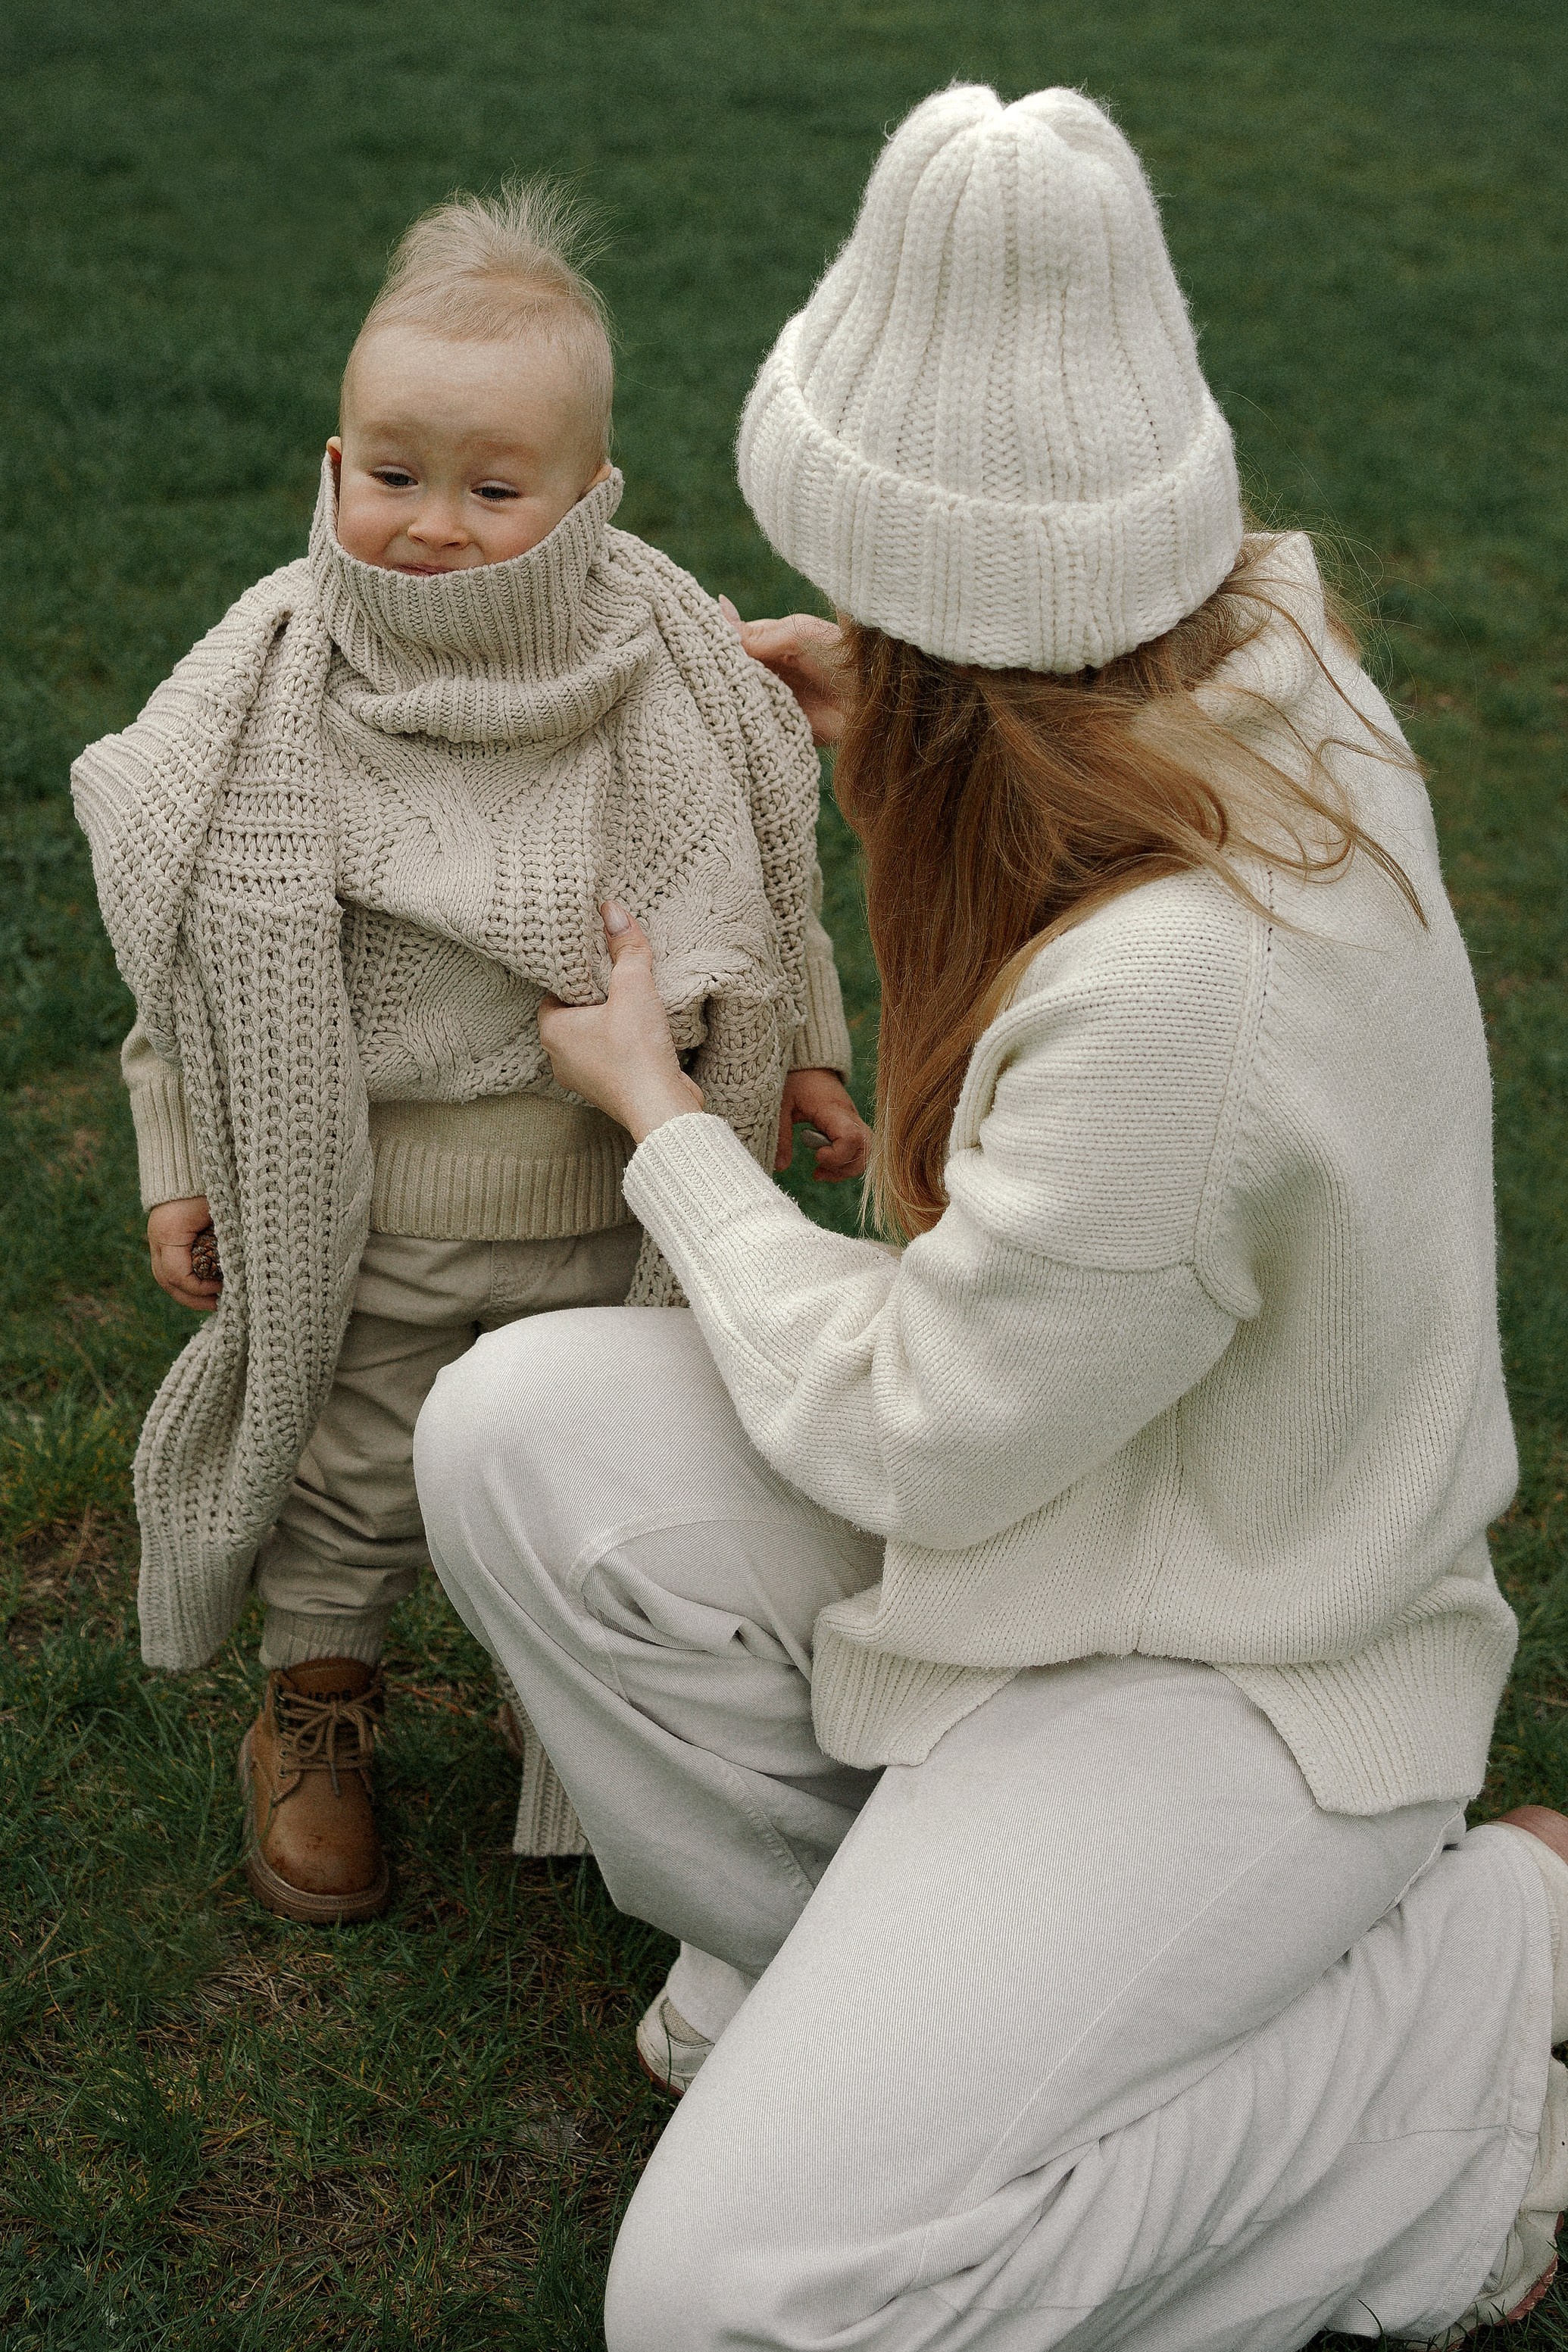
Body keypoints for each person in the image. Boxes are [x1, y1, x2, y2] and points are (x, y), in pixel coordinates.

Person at [411, 86, 1568, 2350]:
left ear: (962, 622)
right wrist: (903, 743)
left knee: (737, 2302)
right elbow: (1009, 1232)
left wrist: (661, 1122)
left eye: (868, 585)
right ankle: (865, 1978)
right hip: (1086, 1498)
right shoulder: (1259, 648)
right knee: (513, 1434)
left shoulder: (1189, 991)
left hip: (1239, 1660)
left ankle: (1471, 2006)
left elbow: (921, 1425)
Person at [70, 180, 869, 1927]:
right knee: (353, 1476)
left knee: (605, 1464)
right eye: (392, 472)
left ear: (592, 499)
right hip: (376, 1203)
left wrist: (805, 1045)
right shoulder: (279, 691)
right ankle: (321, 1695)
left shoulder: (664, 669)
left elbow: (760, 869)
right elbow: (188, 955)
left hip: (615, 1185)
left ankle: (566, 1678)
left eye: (494, 489)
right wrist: (178, 1155)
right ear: (333, 459)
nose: (430, 524)